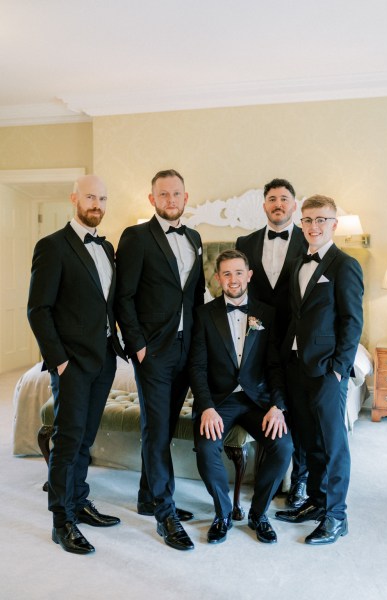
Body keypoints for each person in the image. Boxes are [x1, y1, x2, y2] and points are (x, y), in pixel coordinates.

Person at [27, 174, 126, 555]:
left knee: (85, 438)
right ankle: (61, 520)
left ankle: (79, 501)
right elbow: (39, 310)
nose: (96, 204)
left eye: (102, 197)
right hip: (72, 363)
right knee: (67, 441)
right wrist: (60, 362)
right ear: (74, 199)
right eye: (90, 197)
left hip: (103, 359)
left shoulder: (107, 246)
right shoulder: (52, 246)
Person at [115, 169, 205, 551]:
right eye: (163, 194)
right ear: (152, 199)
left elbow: (196, 296)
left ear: (186, 198)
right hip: (153, 351)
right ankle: (165, 514)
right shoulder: (135, 237)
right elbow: (124, 297)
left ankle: (147, 497)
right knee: (155, 428)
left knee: (164, 427)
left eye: (177, 194)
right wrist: (137, 346)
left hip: (187, 349)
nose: (171, 200)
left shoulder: (196, 238)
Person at [189, 249, 293, 545]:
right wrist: (206, 406)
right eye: (226, 273)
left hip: (257, 400)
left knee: (283, 445)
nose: (233, 279)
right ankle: (222, 513)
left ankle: (259, 514)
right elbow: (197, 367)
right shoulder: (204, 315)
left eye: (238, 272)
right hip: (219, 401)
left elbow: (274, 365)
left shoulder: (266, 313)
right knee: (207, 447)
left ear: (249, 275)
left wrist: (277, 406)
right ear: (218, 278)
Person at [275, 194, 363, 545]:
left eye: (321, 220)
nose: (313, 226)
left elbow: (352, 321)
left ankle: (337, 516)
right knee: (308, 440)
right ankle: (315, 501)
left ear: (334, 224)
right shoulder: (298, 261)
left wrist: (340, 369)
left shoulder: (345, 265)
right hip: (297, 366)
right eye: (308, 220)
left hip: (328, 369)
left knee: (333, 444)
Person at [236, 178, 308, 509]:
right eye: (271, 199)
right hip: (257, 341)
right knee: (264, 402)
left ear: (294, 205)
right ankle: (270, 477)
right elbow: (239, 291)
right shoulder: (244, 242)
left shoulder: (311, 240)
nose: (278, 203)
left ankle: (300, 481)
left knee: (300, 409)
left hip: (297, 341)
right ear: (263, 205)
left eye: (284, 198)